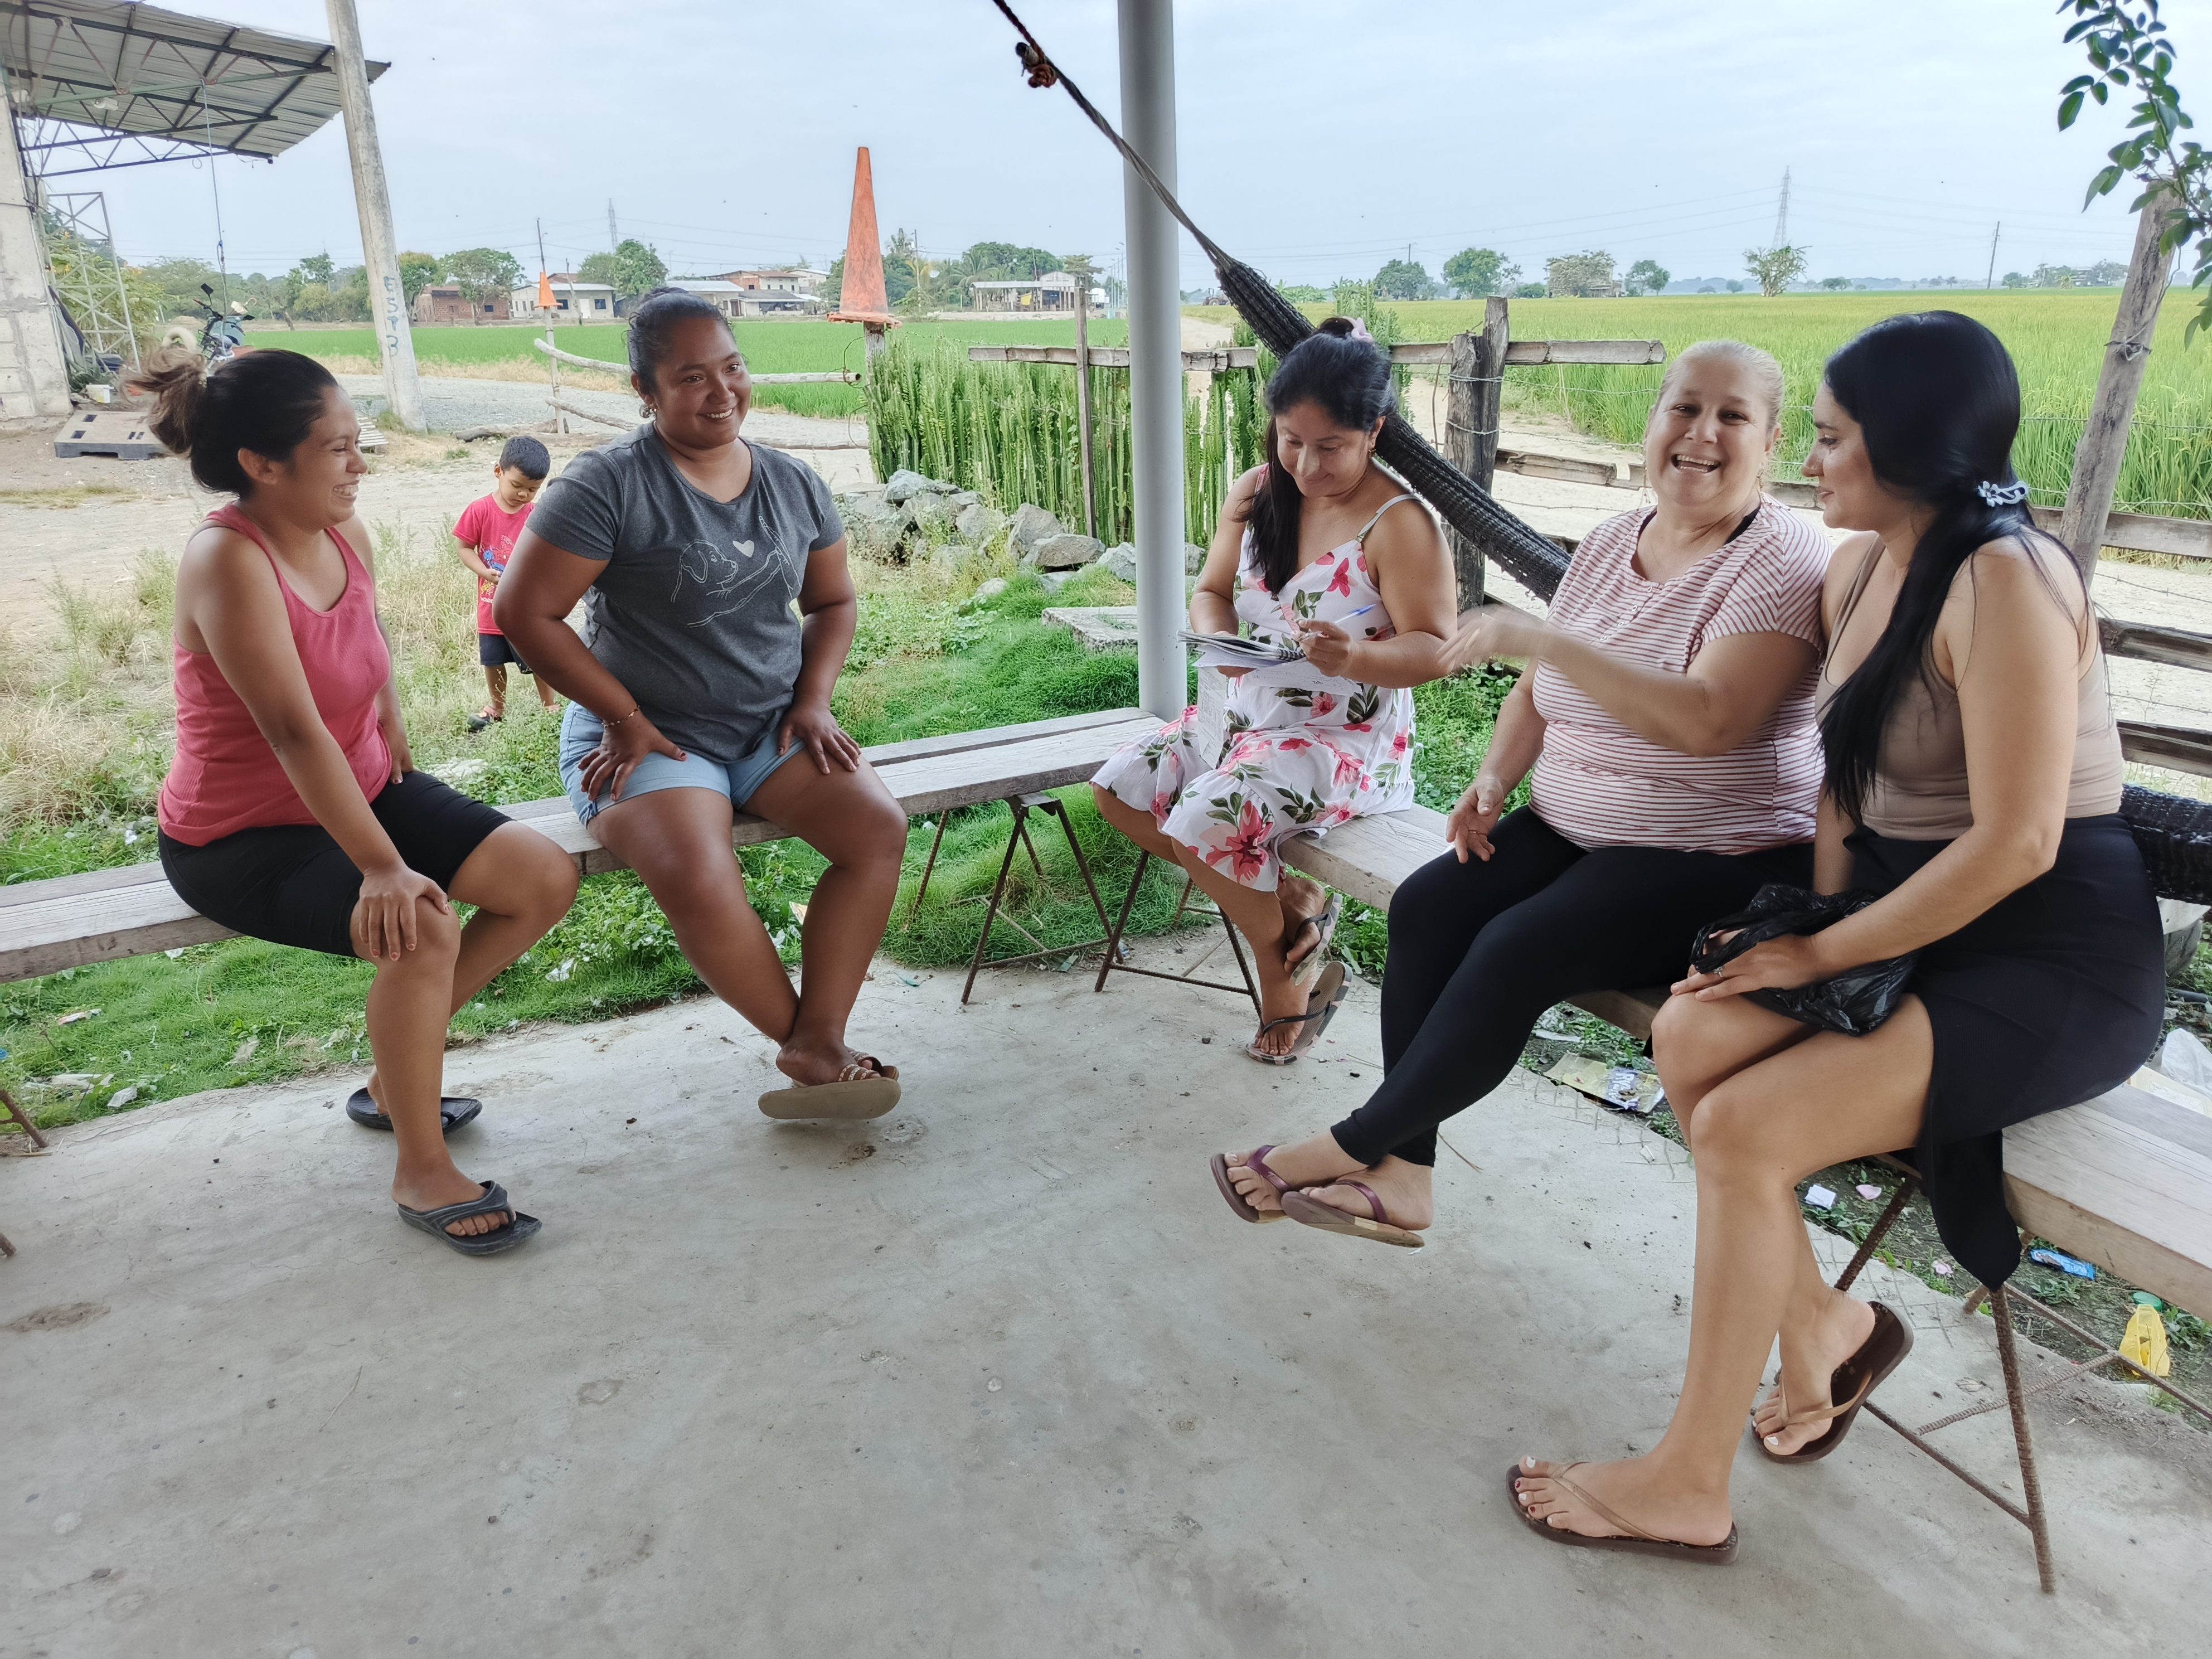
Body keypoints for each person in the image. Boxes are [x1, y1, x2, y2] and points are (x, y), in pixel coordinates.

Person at [1510, 312, 2158, 1563]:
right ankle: (1826, 1333)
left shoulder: (2008, 580)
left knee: (1746, 1129)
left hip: (2049, 952)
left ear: (1909, 448)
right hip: (1904, 913)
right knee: (1691, 1033)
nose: (1809, 462)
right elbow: (1841, 790)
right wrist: (1809, 925)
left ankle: (1686, 1483)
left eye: (1830, 438)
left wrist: (1822, 960)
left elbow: (2019, 842)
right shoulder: (1860, 566)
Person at [1214, 340, 1831, 1245]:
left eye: (1730, 416)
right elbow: (1536, 693)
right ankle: (1406, 1177)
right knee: (1428, 907)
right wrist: (1496, 775)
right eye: (1684, 408)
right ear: (1653, 421)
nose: (1701, 434)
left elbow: (1710, 722)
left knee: (1515, 947)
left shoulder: (1780, 559)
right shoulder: (1614, 541)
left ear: (1770, 441)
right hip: (1572, 825)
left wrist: (1540, 638)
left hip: (1714, 853)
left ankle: (1351, 1143)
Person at [139, 347, 578, 1257]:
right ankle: (421, 1166)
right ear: (262, 464)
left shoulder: (345, 535)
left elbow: (365, 647)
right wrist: (383, 865)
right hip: (238, 835)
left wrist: (391, 732)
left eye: (357, 443)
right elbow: (291, 731)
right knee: (422, 926)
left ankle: (392, 1078)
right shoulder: (228, 560)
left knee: (541, 877)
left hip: (360, 788)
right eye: (337, 449)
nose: (359, 466)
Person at [496, 287, 909, 1120]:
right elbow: (523, 613)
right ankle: (816, 1049)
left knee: (876, 830)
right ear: (644, 392)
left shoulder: (791, 483)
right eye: (691, 378)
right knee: (697, 871)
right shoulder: (609, 486)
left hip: (770, 725)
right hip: (645, 737)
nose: (722, 392)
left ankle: (817, 1039)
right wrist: (623, 717)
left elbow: (833, 602)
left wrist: (814, 700)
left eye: (732, 368)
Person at [1093, 318, 1457, 1061]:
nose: (1307, 465)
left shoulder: (1399, 523)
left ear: (1374, 432)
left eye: (1331, 447)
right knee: (1119, 788)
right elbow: (1210, 591)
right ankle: (1295, 908)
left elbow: (1436, 652)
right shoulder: (1259, 491)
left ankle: (1280, 975)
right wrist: (1219, 642)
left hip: (1342, 742)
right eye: (1292, 440)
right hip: (1243, 718)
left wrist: (1353, 656)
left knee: (1202, 821)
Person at [454, 435, 559, 730]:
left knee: (537, 657)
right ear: (498, 471)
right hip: (492, 606)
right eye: (517, 485)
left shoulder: (536, 515)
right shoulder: (480, 510)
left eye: (533, 490)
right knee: (493, 661)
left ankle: (549, 704)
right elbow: (464, 548)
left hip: (526, 609)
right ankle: (497, 707)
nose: (524, 494)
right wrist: (485, 572)